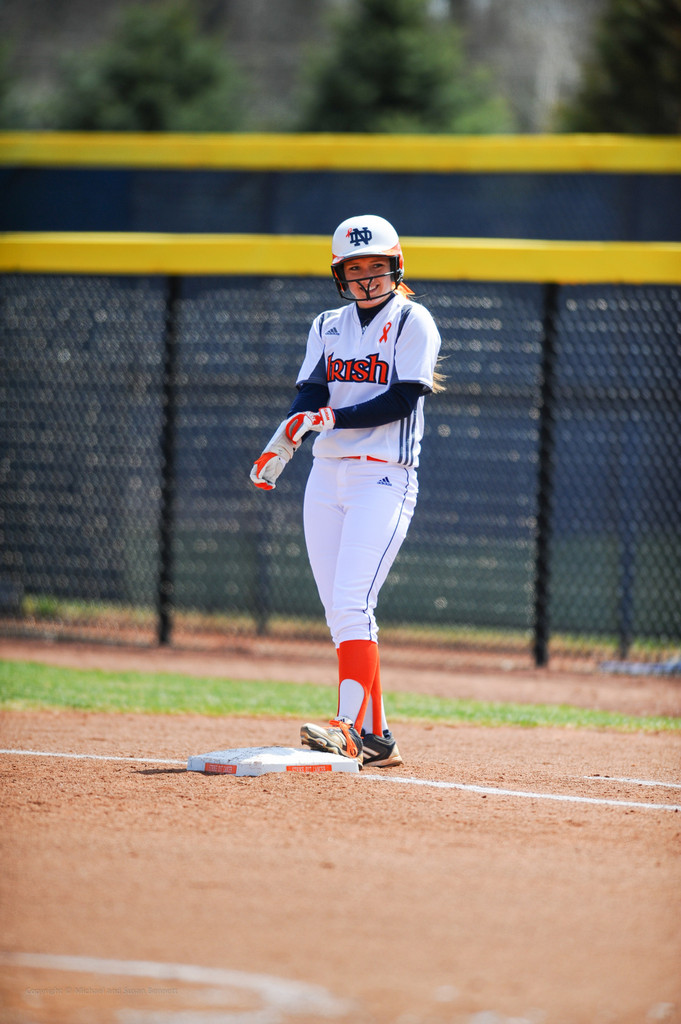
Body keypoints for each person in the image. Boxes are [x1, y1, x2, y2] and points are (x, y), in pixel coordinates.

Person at [250, 214, 442, 768]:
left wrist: (331, 419)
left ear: (396, 266)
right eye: (354, 268)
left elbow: (402, 399)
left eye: (376, 266)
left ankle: (348, 729)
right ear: (340, 275)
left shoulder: (413, 320)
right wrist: (280, 443)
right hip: (326, 476)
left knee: (354, 602)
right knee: (342, 612)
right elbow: (309, 393)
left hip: (383, 476)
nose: (366, 277)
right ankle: (378, 737)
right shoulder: (328, 324)